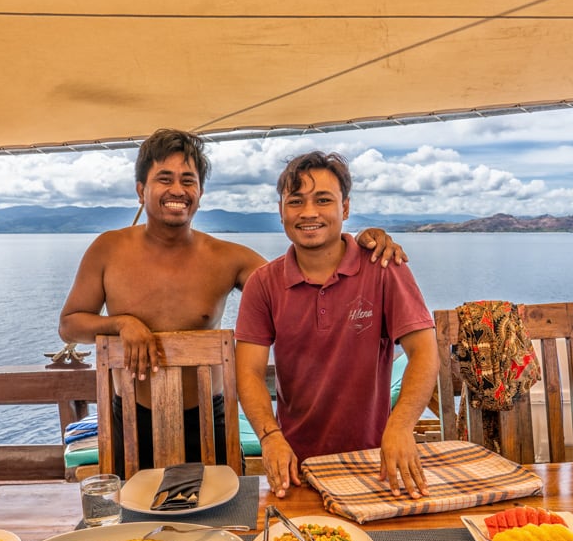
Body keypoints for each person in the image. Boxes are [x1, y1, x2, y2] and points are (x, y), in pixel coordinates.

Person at [58, 129, 407, 476]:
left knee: (224, 521)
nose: (177, 190)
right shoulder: (108, 249)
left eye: (188, 180)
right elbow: (70, 323)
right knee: (129, 521)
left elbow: (299, 279)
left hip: (208, 419)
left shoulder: (227, 258)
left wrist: (361, 243)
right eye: (164, 179)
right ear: (141, 190)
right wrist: (122, 324)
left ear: (200, 193)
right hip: (131, 417)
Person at [235, 151, 439, 500]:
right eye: (295, 201)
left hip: (376, 460)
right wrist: (270, 438)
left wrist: (401, 426)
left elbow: (424, 352)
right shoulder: (263, 284)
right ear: (282, 211)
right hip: (297, 467)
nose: (309, 212)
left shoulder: (384, 268)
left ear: (345, 209)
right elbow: (249, 373)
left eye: (323, 200)